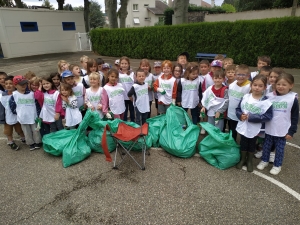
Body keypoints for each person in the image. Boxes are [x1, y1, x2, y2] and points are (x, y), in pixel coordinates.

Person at [257, 73, 299, 175]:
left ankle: (277, 165)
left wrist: (291, 131)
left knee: (279, 150)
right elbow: (262, 109)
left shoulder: (293, 99)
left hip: (283, 130)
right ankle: (265, 160)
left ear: (291, 85)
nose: (280, 86)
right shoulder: (269, 96)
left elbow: (294, 117)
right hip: (269, 128)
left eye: (284, 84)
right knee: (266, 147)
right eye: (278, 84)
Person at [235, 75, 273, 172]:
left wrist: (252, 117)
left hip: (256, 127)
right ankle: (243, 159)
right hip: (244, 125)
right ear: (251, 85)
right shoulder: (246, 97)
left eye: (260, 86)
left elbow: (268, 116)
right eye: (255, 85)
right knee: (243, 142)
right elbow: (238, 109)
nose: (257, 87)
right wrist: (240, 115)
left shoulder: (266, 102)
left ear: (265, 87)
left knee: (251, 144)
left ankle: (249, 161)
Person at [9, 76, 42, 150]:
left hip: (33, 116)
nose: (24, 85)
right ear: (15, 85)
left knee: (36, 130)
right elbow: (12, 106)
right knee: (27, 132)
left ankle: (38, 142)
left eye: (25, 83)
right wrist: (19, 113)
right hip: (23, 118)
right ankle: (30, 143)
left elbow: (37, 105)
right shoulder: (14, 95)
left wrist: (39, 114)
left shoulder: (32, 93)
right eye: (21, 84)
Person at [0, 76, 25, 150]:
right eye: (6, 83)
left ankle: (23, 138)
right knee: (8, 131)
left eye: (10, 83)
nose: (8, 85)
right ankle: (10, 142)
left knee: (20, 129)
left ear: (15, 85)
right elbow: (2, 107)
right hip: (7, 117)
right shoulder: (2, 96)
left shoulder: (18, 94)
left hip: (17, 116)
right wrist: (2, 117)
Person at [227, 64, 251, 141]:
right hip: (231, 113)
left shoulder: (250, 86)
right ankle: (232, 145)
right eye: (238, 74)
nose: (240, 76)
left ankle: (243, 148)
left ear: (248, 76)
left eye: (243, 74)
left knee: (242, 132)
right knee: (232, 130)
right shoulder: (232, 85)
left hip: (242, 114)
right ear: (235, 75)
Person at [119, 56, 135, 122]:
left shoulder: (132, 74)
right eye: (122, 63)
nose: (124, 65)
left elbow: (135, 85)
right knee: (124, 112)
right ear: (120, 64)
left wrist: (132, 95)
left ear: (128, 64)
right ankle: (125, 124)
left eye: (125, 63)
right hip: (122, 97)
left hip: (131, 97)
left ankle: (133, 124)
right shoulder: (118, 74)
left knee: (132, 111)